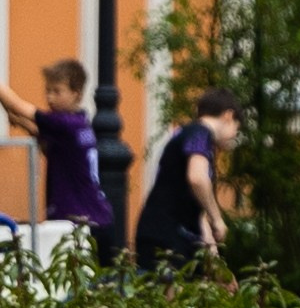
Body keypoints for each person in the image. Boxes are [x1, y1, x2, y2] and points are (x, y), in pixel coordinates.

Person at [0, 59, 117, 263]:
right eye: (47, 91)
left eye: (57, 91)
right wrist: (20, 123)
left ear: (76, 93)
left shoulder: (64, 123)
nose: (50, 97)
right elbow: (50, 146)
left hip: (78, 223)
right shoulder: (80, 123)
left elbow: (19, 107)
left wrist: (16, 113)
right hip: (99, 217)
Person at [133, 88, 240, 273]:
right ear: (228, 116)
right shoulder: (200, 133)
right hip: (166, 237)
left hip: (163, 233)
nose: (234, 136)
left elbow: (198, 214)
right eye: (237, 129)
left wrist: (216, 264)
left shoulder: (187, 134)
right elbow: (197, 178)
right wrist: (217, 219)